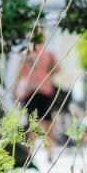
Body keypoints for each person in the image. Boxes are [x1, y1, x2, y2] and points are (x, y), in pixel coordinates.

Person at [14, 30, 60, 159]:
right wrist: (45, 74)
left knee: (32, 123)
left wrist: (15, 92)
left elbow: (19, 75)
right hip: (46, 90)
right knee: (47, 122)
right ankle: (50, 152)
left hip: (30, 91)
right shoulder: (48, 54)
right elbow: (58, 69)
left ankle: (30, 153)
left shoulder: (26, 54)